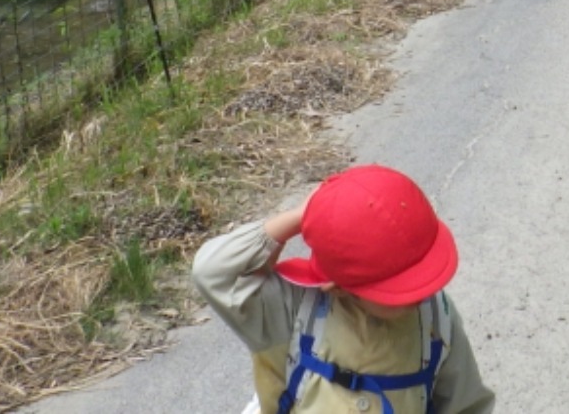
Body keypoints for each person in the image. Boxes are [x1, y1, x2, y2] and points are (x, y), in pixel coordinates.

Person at [192, 164, 495, 414]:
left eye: (423, 276)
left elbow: (467, 406)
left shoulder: (435, 318)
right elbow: (213, 271)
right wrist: (300, 217)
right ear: (336, 287)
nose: (421, 292)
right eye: (402, 289)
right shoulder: (291, 310)